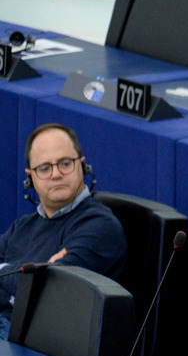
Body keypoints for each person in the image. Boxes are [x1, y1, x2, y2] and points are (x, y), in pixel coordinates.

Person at [0, 123, 126, 341]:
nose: (56, 174)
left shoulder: (99, 227)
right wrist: (21, 279)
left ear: (82, 165)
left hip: (45, 349)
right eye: (45, 168)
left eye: (65, 164)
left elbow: (48, 292)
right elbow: (32, 283)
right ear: (31, 177)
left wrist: (8, 275)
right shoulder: (23, 226)